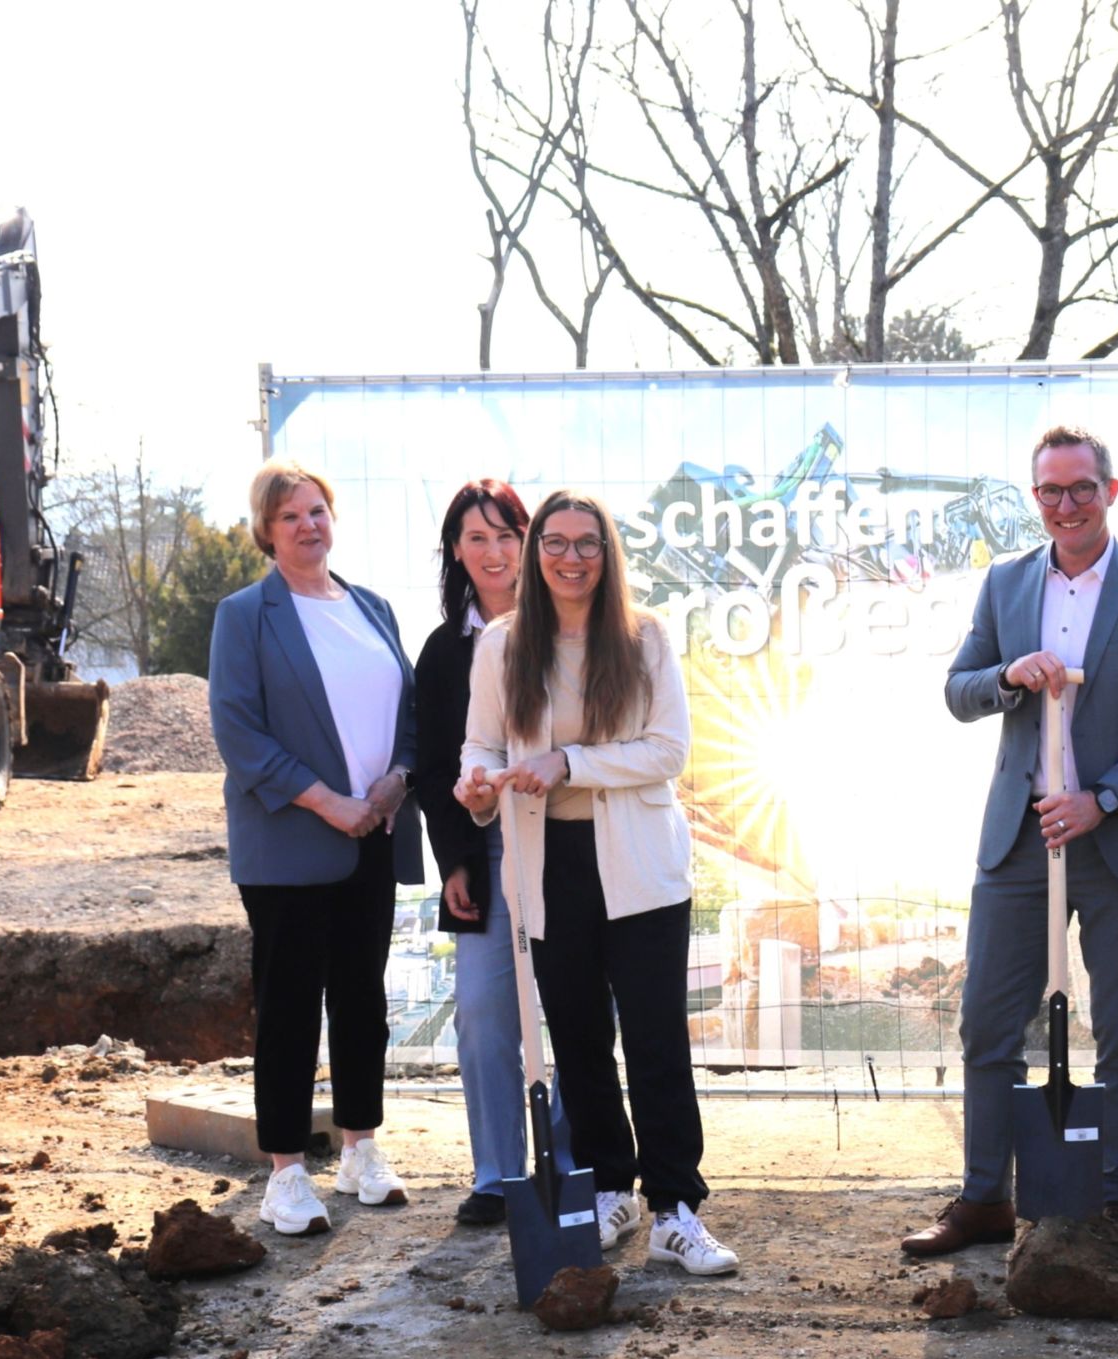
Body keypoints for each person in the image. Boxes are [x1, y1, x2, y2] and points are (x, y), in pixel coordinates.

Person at [904, 425, 1118, 1255]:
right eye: (1050, 491)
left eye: (1081, 488)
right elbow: (958, 691)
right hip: (1022, 840)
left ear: (1111, 490)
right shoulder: (1005, 586)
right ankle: (983, 1199)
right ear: (1033, 497)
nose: (1066, 505)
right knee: (988, 1025)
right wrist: (1008, 676)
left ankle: (1110, 1201)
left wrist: (1103, 798)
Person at [456, 489, 737, 1276]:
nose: (570, 557)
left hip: (640, 871)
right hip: (548, 868)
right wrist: (478, 783)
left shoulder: (644, 639)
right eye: (556, 542)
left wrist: (569, 763)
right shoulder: (503, 646)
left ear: (608, 554)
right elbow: (478, 743)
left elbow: (668, 750)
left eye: (587, 543)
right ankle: (611, 1187)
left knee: (655, 1042)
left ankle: (676, 1208)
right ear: (535, 550)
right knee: (578, 1041)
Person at [207, 460, 423, 1237]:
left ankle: (363, 1148)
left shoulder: (374, 608)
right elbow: (238, 729)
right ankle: (288, 1172)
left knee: (363, 998)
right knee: (292, 1005)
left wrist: (397, 780)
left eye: (318, 510)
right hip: (293, 839)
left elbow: (413, 711)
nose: (308, 524)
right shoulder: (245, 615)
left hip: (375, 833)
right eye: (291, 515)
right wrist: (326, 799)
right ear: (267, 530)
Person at [413, 480, 536, 1227]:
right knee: (485, 1012)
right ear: (456, 550)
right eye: (477, 538)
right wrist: (456, 860)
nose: (494, 553)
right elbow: (432, 768)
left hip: (570, 843)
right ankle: (497, 1173)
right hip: (487, 849)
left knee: (576, 1009)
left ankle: (591, 1167)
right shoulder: (442, 650)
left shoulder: (568, 628)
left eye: (506, 534)